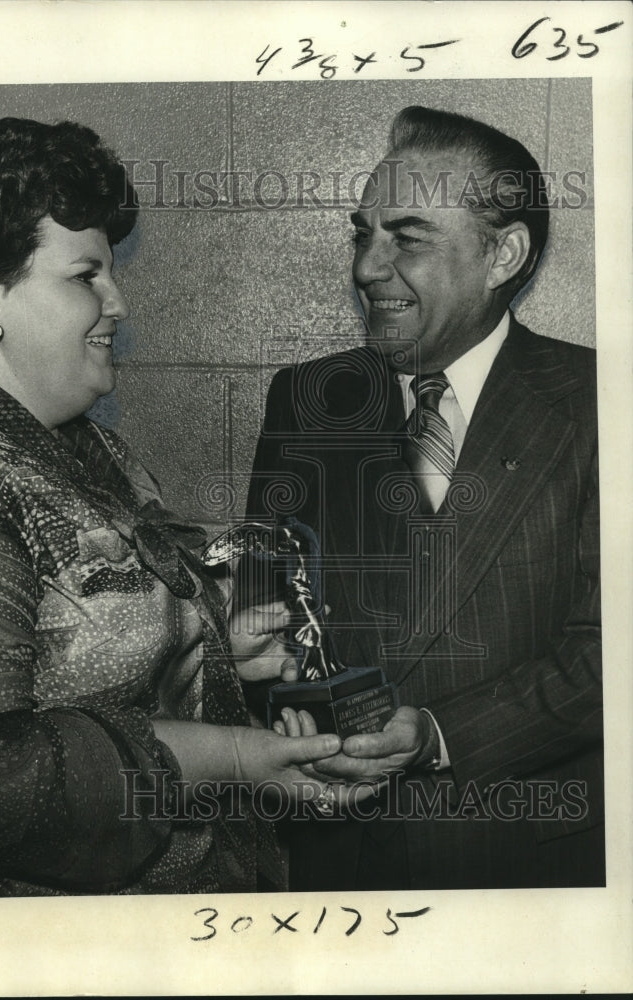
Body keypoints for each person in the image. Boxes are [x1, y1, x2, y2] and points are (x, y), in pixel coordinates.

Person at [0, 117, 344, 898]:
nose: (118, 300)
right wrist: (237, 758)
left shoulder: (89, 452)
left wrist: (211, 647)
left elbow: (80, 656)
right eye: (85, 277)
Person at [246, 106, 603, 890]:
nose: (369, 267)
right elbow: (264, 609)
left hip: (528, 868)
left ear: (502, 253)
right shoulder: (306, 400)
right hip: (335, 864)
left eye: (406, 238)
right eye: (362, 234)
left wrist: (440, 735)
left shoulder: (600, 403)